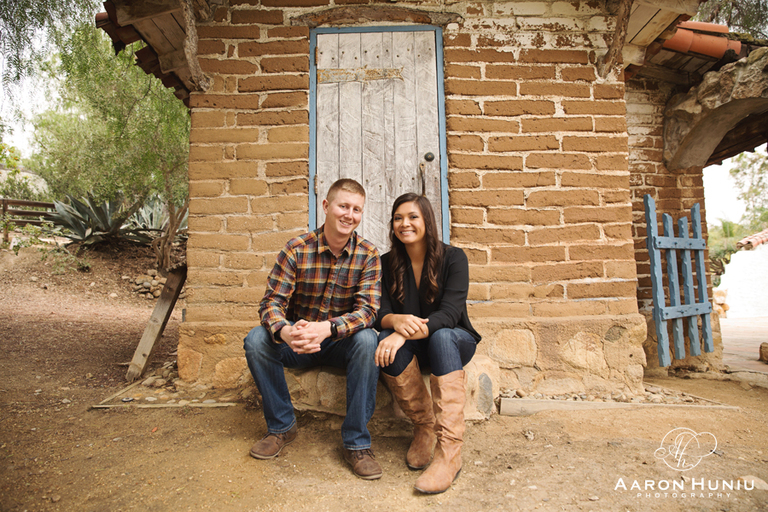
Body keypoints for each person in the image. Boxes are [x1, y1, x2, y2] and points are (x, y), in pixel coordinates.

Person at [243, 178, 383, 480]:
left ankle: (356, 443)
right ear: (326, 206)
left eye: (357, 209)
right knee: (256, 340)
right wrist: (284, 332)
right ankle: (281, 426)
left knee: (369, 340)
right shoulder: (296, 249)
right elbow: (271, 303)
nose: (349, 215)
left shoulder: (368, 254)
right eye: (343, 206)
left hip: (339, 342)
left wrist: (328, 329)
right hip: (298, 340)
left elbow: (368, 311)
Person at [375, 193, 481, 494]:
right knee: (385, 340)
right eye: (398, 218)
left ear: (427, 221)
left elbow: (449, 314)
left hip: (453, 343)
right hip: (415, 350)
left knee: (442, 335)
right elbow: (378, 313)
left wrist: (404, 332)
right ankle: (423, 427)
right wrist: (394, 324)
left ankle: (449, 454)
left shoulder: (454, 258)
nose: (404, 223)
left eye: (412, 217)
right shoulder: (385, 264)